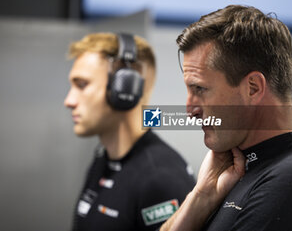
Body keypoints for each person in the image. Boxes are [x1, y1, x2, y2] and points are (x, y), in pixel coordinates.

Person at [160, 5, 292, 231]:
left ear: (253, 88)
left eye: (200, 89)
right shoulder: (244, 166)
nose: (190, 110)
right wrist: (201, 197)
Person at [64, 32, 195, 231]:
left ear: (124, 87)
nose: (69, 101)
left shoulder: (160, 179)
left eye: (82, 85)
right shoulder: (104, 158)